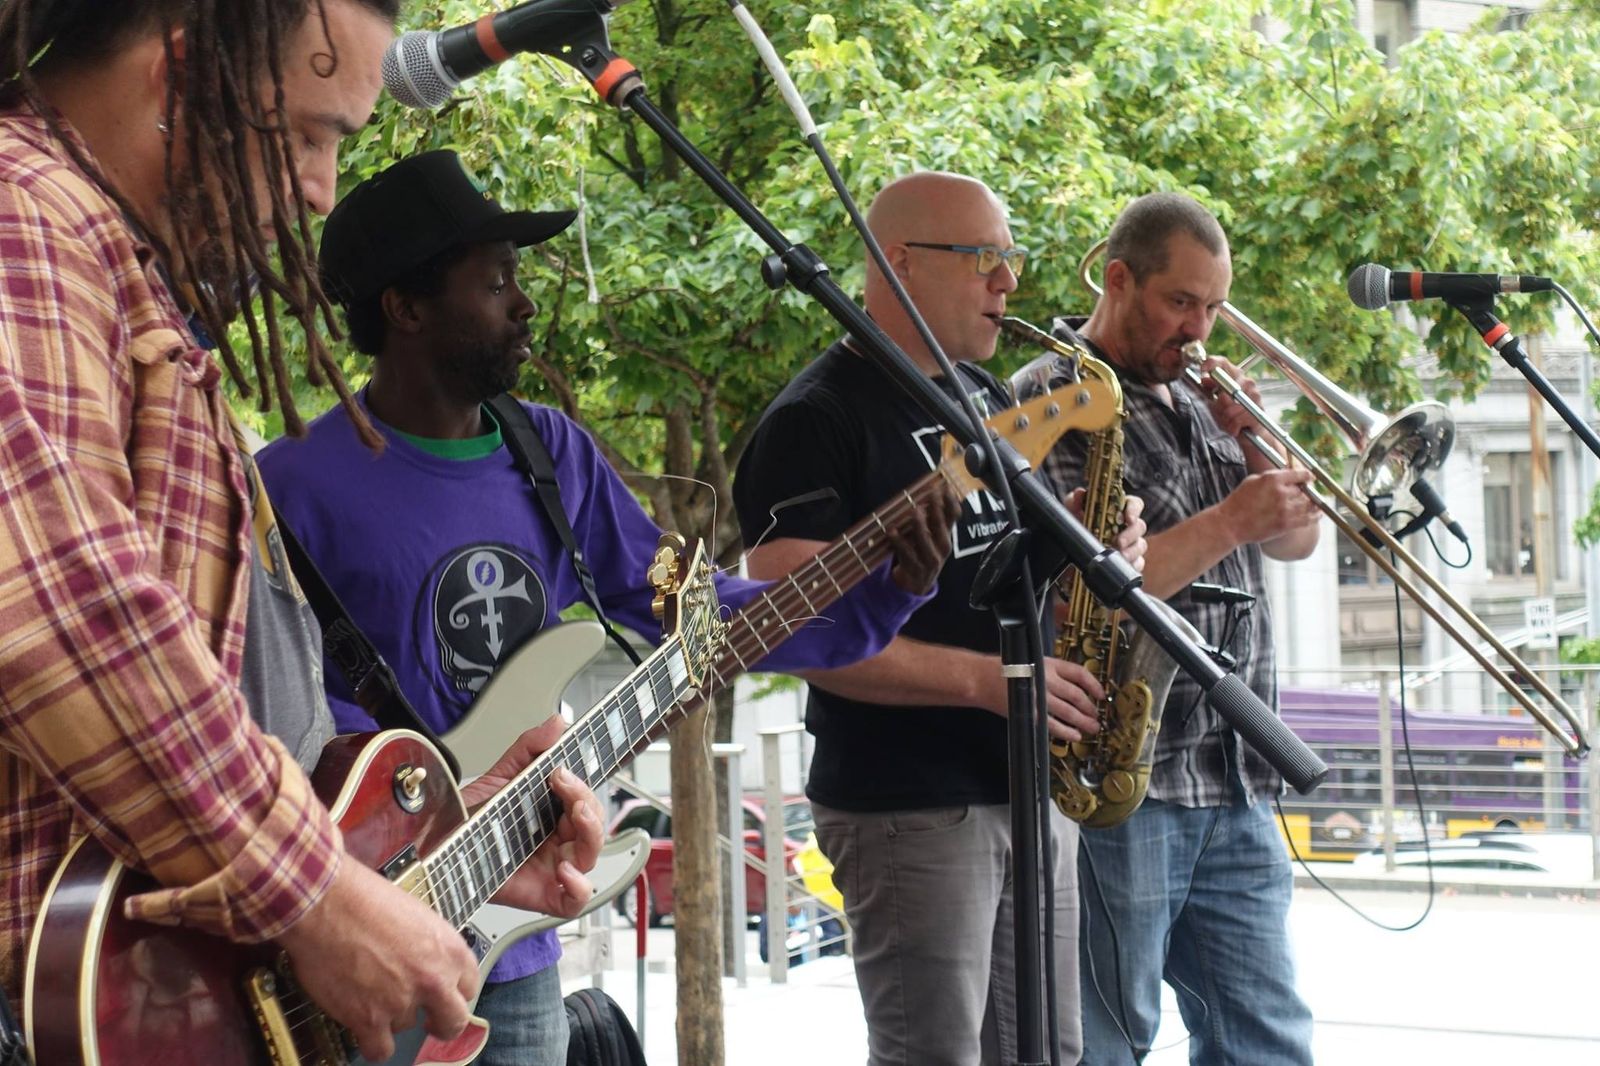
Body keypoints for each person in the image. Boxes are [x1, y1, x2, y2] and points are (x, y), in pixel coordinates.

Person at [256, 149, 956, 1066]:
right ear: (406, 308)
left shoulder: (552, 452)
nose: (524, 304)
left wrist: (882, 588)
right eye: (495, 282)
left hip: (517, 946)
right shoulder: (287, 485)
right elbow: (269, 705)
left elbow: (697, 613)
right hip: (363, 934)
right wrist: (406, 818)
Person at [0, 5, 602, 1063]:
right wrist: (316, 891)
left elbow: (199, 704)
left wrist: (419, 852)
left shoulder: (117, 277)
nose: (322, 189)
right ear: (186, 74)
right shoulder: (23, 221)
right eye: (312, 134)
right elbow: (57, 613)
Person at [732, 171, 1147, 1066]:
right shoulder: (813, 419)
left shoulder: (983, 394)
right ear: (902, 262)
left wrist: (1091, 547)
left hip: (1029, 786)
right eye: (984, 257)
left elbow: (998, 575)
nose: (1008, 281)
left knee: (1051, 1052)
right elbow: (790, 630)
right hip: (910, 803)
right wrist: (987, 685)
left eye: (1010, 257)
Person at [1012, 191, 1321, 1065]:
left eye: (1214, 307)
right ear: (1118, 280)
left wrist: (1255, 449)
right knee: (1108, 1042)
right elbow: (1083, 589)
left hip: (1235, 772)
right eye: (1181, 302)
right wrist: (1229, 518)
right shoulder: (1048, 398)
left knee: (1267, 1042)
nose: (1200, 329)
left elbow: (1298, 540)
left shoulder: (1198, 394)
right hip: (1127, 777)